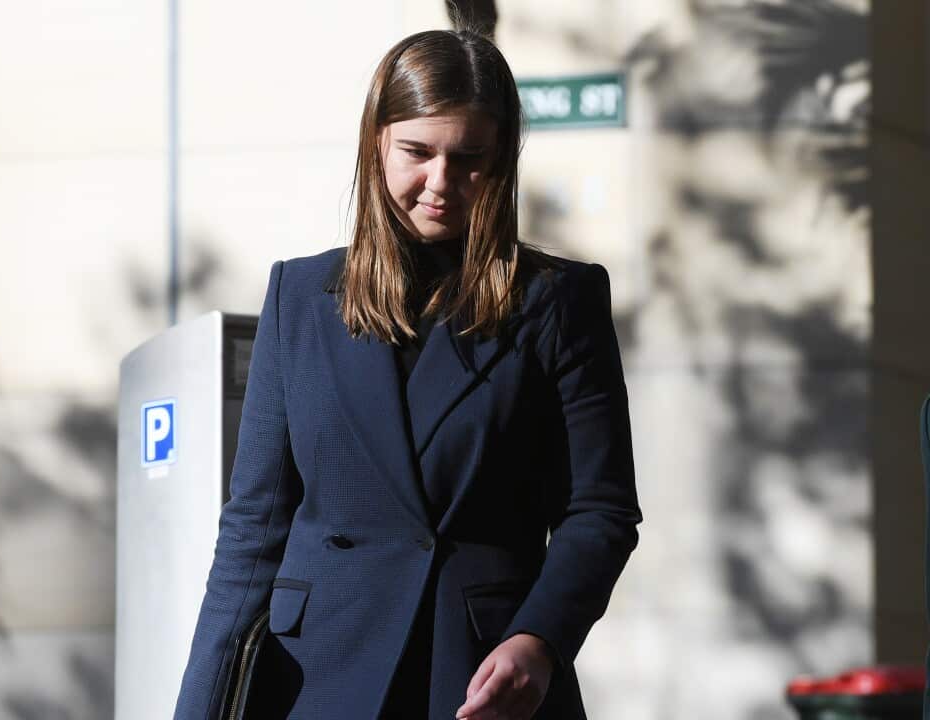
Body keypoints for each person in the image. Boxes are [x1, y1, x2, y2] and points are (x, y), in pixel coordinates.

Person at [173, 28, 642, 720]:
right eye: (417, 153)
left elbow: (600, 509)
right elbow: (253, 526)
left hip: (481, 675)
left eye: (470, 159)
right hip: (316, 676)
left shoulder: (557, 301)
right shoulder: (298, 297)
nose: (441, 184)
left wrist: (538, 638)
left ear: (504, 160)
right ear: (377, 144)